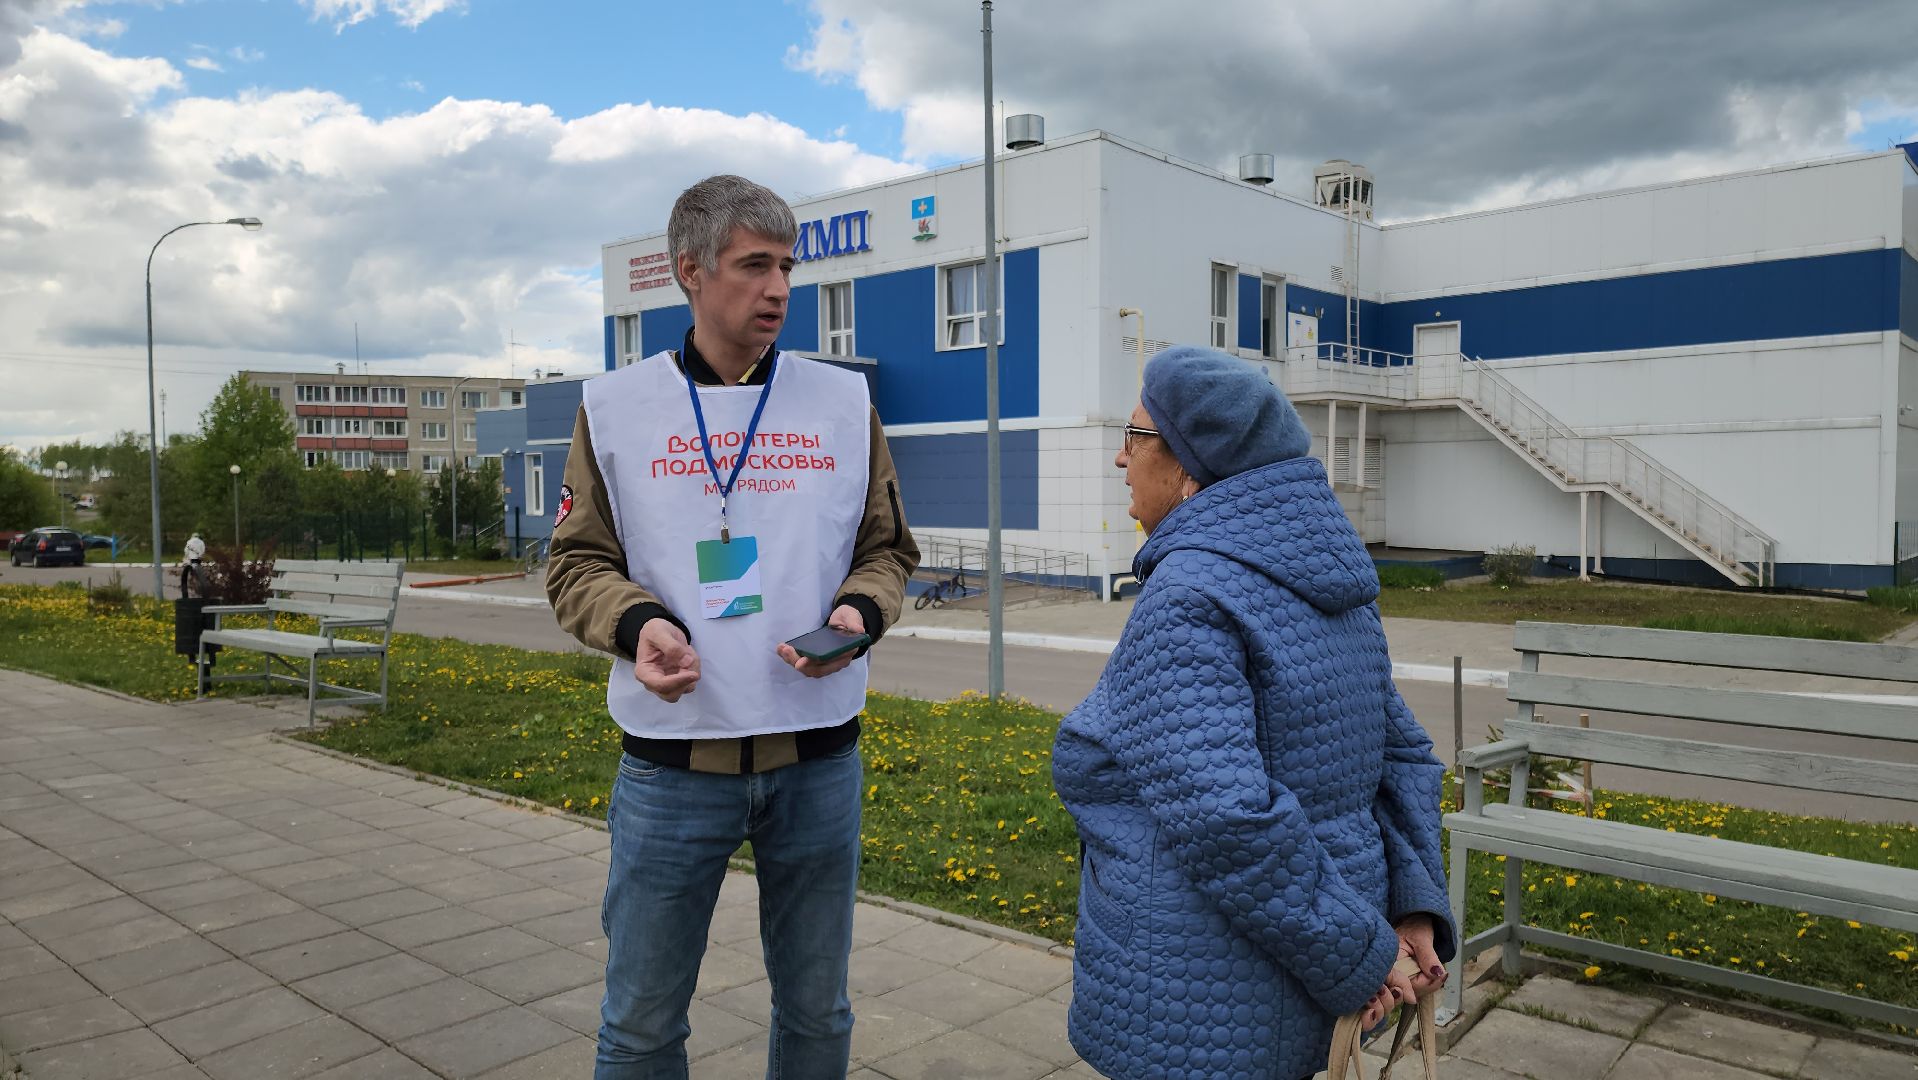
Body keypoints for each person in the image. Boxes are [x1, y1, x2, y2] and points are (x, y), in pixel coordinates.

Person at [546, 173, 918, 1079]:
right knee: (639, 1024)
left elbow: (889, 549)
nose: (779, 289)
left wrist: (856, 612)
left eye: (787, 267)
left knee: (819, 1018)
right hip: (675, 767)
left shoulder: (840, 405)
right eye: (755, 266)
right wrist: (638, 626)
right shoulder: (615, 408)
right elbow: (575, 564)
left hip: (819, 764)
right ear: (691, 272)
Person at [1052, 345, 1455, 1080]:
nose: (1120, 459)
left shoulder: (1189, 596)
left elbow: (1224, 816)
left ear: (1188, 471)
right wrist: (1410, 908)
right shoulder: (1333, 584)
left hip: (1198, 984)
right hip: (1308, 958)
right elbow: (1401, 760)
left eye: (1135, 437)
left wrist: (1363, 953)